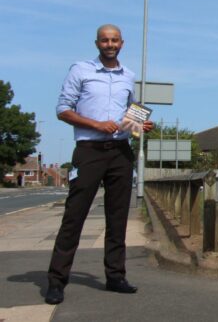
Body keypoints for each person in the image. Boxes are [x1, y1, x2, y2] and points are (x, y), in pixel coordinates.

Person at [45, 24, 153, 304]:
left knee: (117, 218)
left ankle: (115, 276)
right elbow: (62, 110)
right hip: (89, 150)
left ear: (122, 43)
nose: (110, 44)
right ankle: (56, 282)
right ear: (97, 44)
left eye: (114, 40)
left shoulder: (128, 76)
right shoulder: (80, 70)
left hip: (120, 152)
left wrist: (142, 124)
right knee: (74, 216)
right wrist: (95, 124)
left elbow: (132, 114)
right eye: (105, 40)